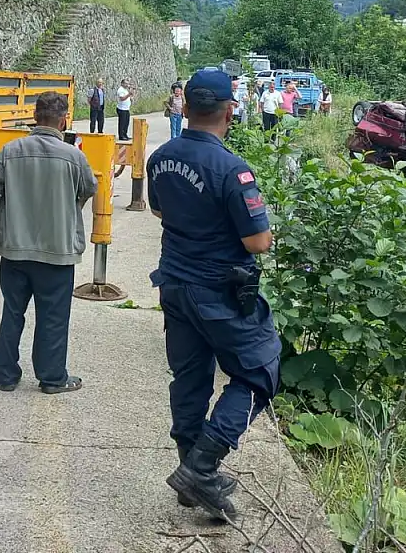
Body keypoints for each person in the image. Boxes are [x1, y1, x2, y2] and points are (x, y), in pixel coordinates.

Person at [146, 67, 280, 522]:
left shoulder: (160, 156)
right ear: (230, 110)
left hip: (175, 287)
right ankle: (202, 466)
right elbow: (257, 242)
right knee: (260, 371)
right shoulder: (233, 170)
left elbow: (158, 209)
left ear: (185, 107)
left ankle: (191, 475)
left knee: (189, 378)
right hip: (219, 293)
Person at [0, 91, 96, 395]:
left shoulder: (10, 151)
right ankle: (52, 377)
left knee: (12, 311)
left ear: (34, 117)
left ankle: (5, 374)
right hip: (57, 252)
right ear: (64, 119)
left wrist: (3, 213)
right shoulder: (74, 156)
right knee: (53, 316)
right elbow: (88, 188)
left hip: (14, 250)